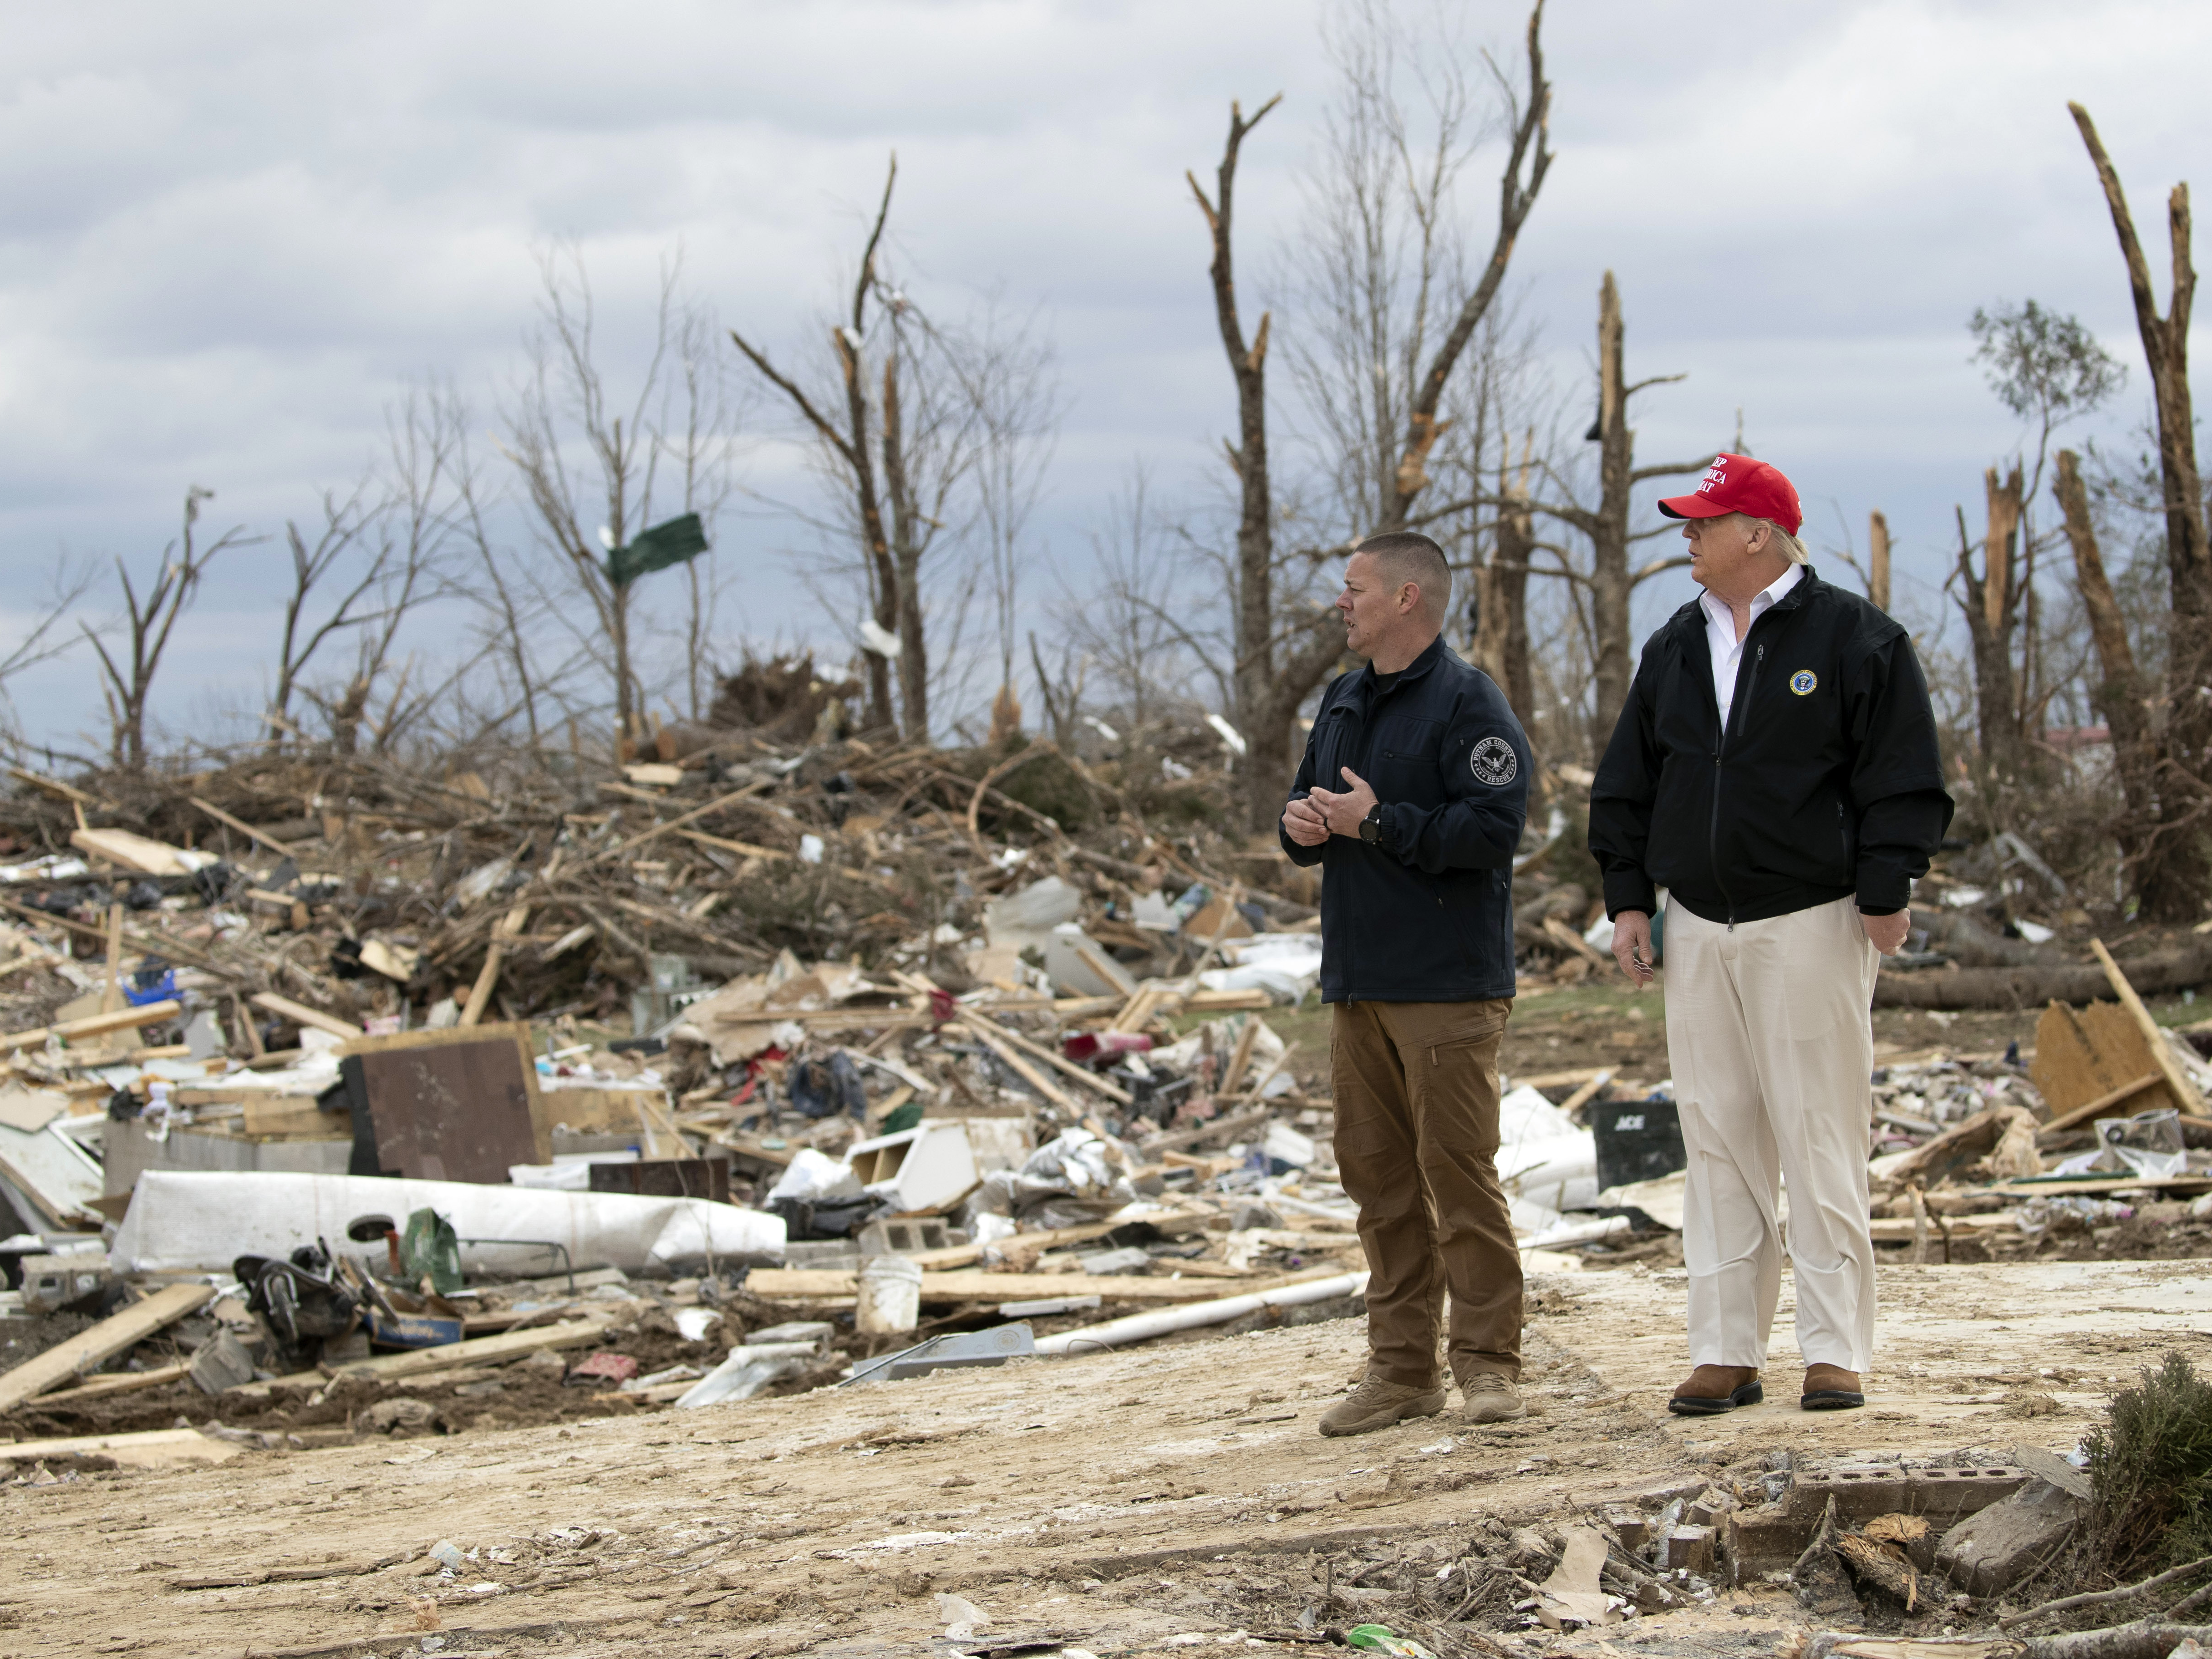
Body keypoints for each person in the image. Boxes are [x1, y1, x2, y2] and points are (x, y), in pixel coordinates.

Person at [1587, 453, 1953, 1416]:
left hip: (1814, 919)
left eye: (1703, 524)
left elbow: (1901, 771)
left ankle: (1835, 1349)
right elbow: (1630, 780)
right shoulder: (1674, 643)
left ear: (1757, 531)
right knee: (1716, 1136)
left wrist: (1886, 886)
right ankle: (1726, 1348)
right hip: (1699, 925)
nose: (1688, 539)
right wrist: (1629, 898)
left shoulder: (1854, 638)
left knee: (1819, 1132)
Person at [1280, 531, 1534, 1436]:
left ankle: (1489, 1366)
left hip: (1446, 983)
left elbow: (1492, 829)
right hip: (1359, 979)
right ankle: (1400, 1372)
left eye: (1353, 589)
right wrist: (1302, 823)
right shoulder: (1343, 700)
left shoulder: (1471, 703)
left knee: (1457, 1173)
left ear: (1406, 598)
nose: (1339, 604)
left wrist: (1379, 821)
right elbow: (1309, 805)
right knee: (1379, 1180)